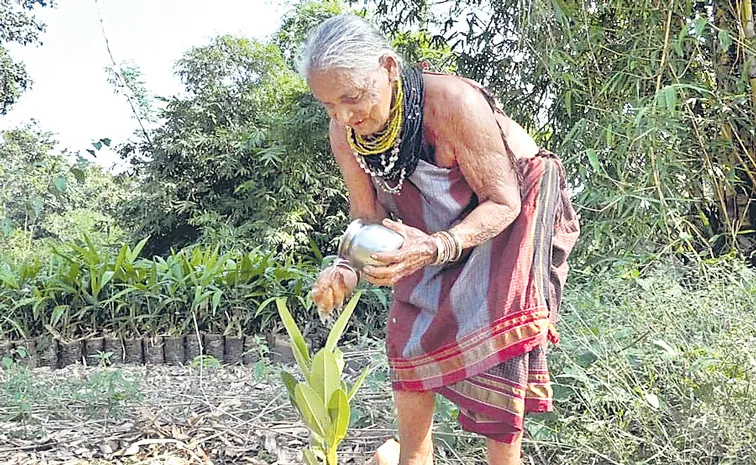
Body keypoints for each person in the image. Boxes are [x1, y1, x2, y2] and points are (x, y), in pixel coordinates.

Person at [301, 14, 580, 465]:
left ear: (388, 68)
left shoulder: (452, 103)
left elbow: (503, 201)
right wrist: (345, 267)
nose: (343, 116)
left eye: (352, 99)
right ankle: (410, 455)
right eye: (329, 105)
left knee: (498, 346)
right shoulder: (345, 131)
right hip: (424, 229)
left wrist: (434, 246)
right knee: (410, 341)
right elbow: (366, 217)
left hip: (509, 216)